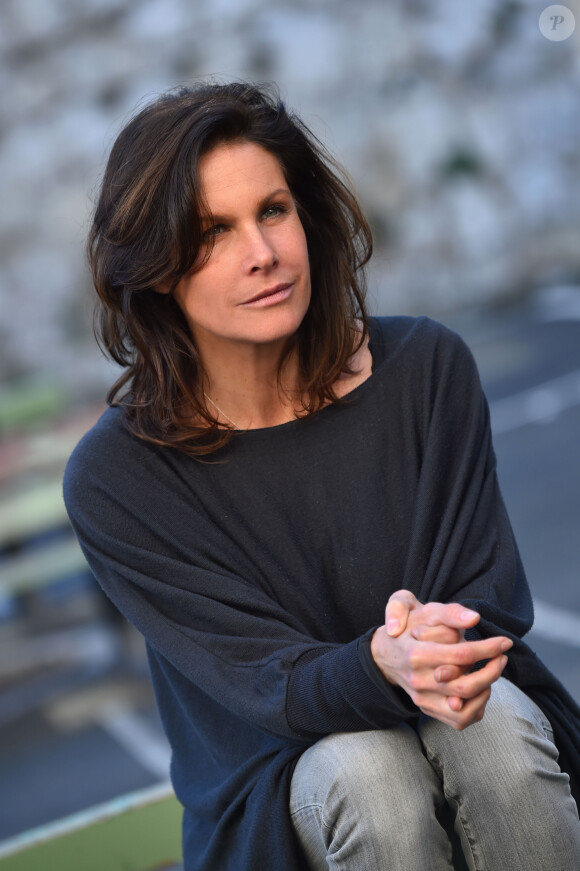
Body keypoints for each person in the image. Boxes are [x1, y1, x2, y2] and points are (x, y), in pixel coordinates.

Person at [63, 81, 580, 870]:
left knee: (495, 732)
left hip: (473, 720)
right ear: (158, 268)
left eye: (272, 210)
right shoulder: (117, 478)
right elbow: (266, 684)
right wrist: (379, 661)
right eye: (212, 232)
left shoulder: (425, 371)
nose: (262, 253)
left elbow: (486, 597)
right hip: (283, 791)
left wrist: (422, 649)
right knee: (368, 769)